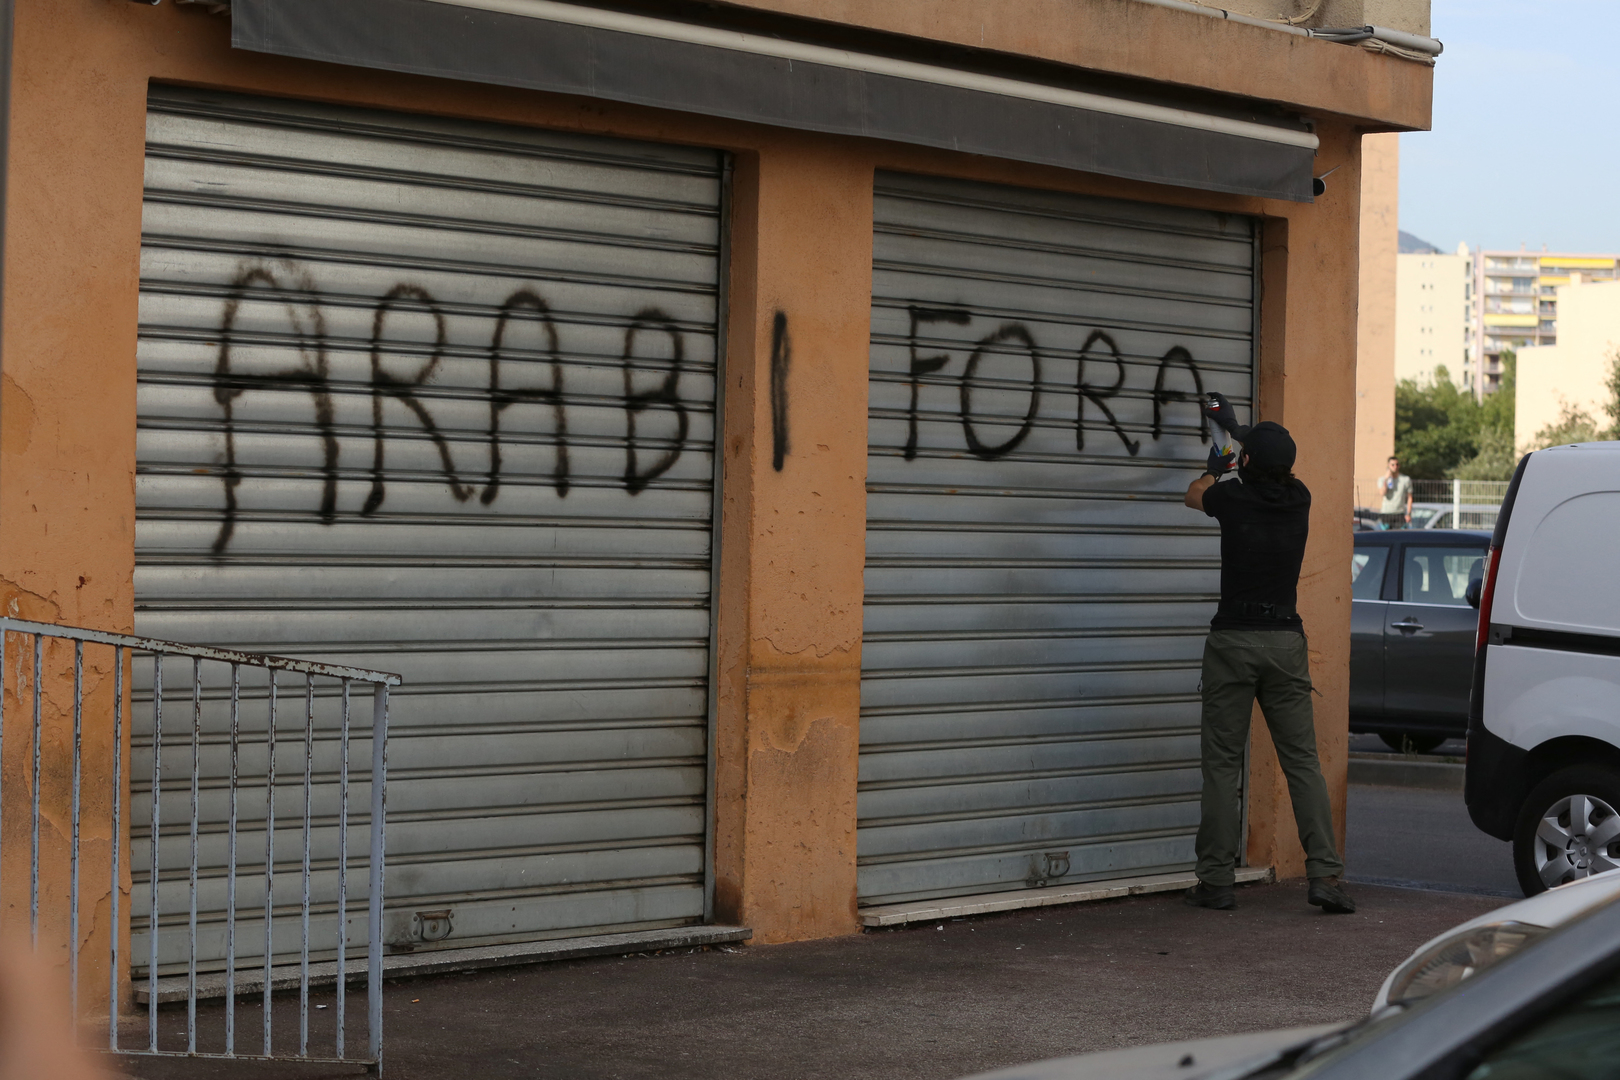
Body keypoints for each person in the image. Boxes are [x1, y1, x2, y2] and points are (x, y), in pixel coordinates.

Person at [1179, 396, 1354, 915]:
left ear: (1248, 463)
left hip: (1232, 641)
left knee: (1221, 765)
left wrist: (1216, 467)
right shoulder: (1299, 498)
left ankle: (1215, 881)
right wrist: (1239, 446)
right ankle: (1324, 875)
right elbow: (1266, 467)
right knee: (1301, 763)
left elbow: (1193, 497)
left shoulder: (1229, 498)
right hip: (1284, 642)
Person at [1379, 456, 1412, 529]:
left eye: (1397, 464)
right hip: (1386, 513)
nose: (1395, 467)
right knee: (1386, 538)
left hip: (1399, 513)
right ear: (1388, 465)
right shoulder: (1382, 479)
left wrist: (1408, 514)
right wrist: (1386, 480)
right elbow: (1382, 493)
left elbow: (1409, 497)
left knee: (1400, 537)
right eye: (1392, 465)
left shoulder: (1405, 479)